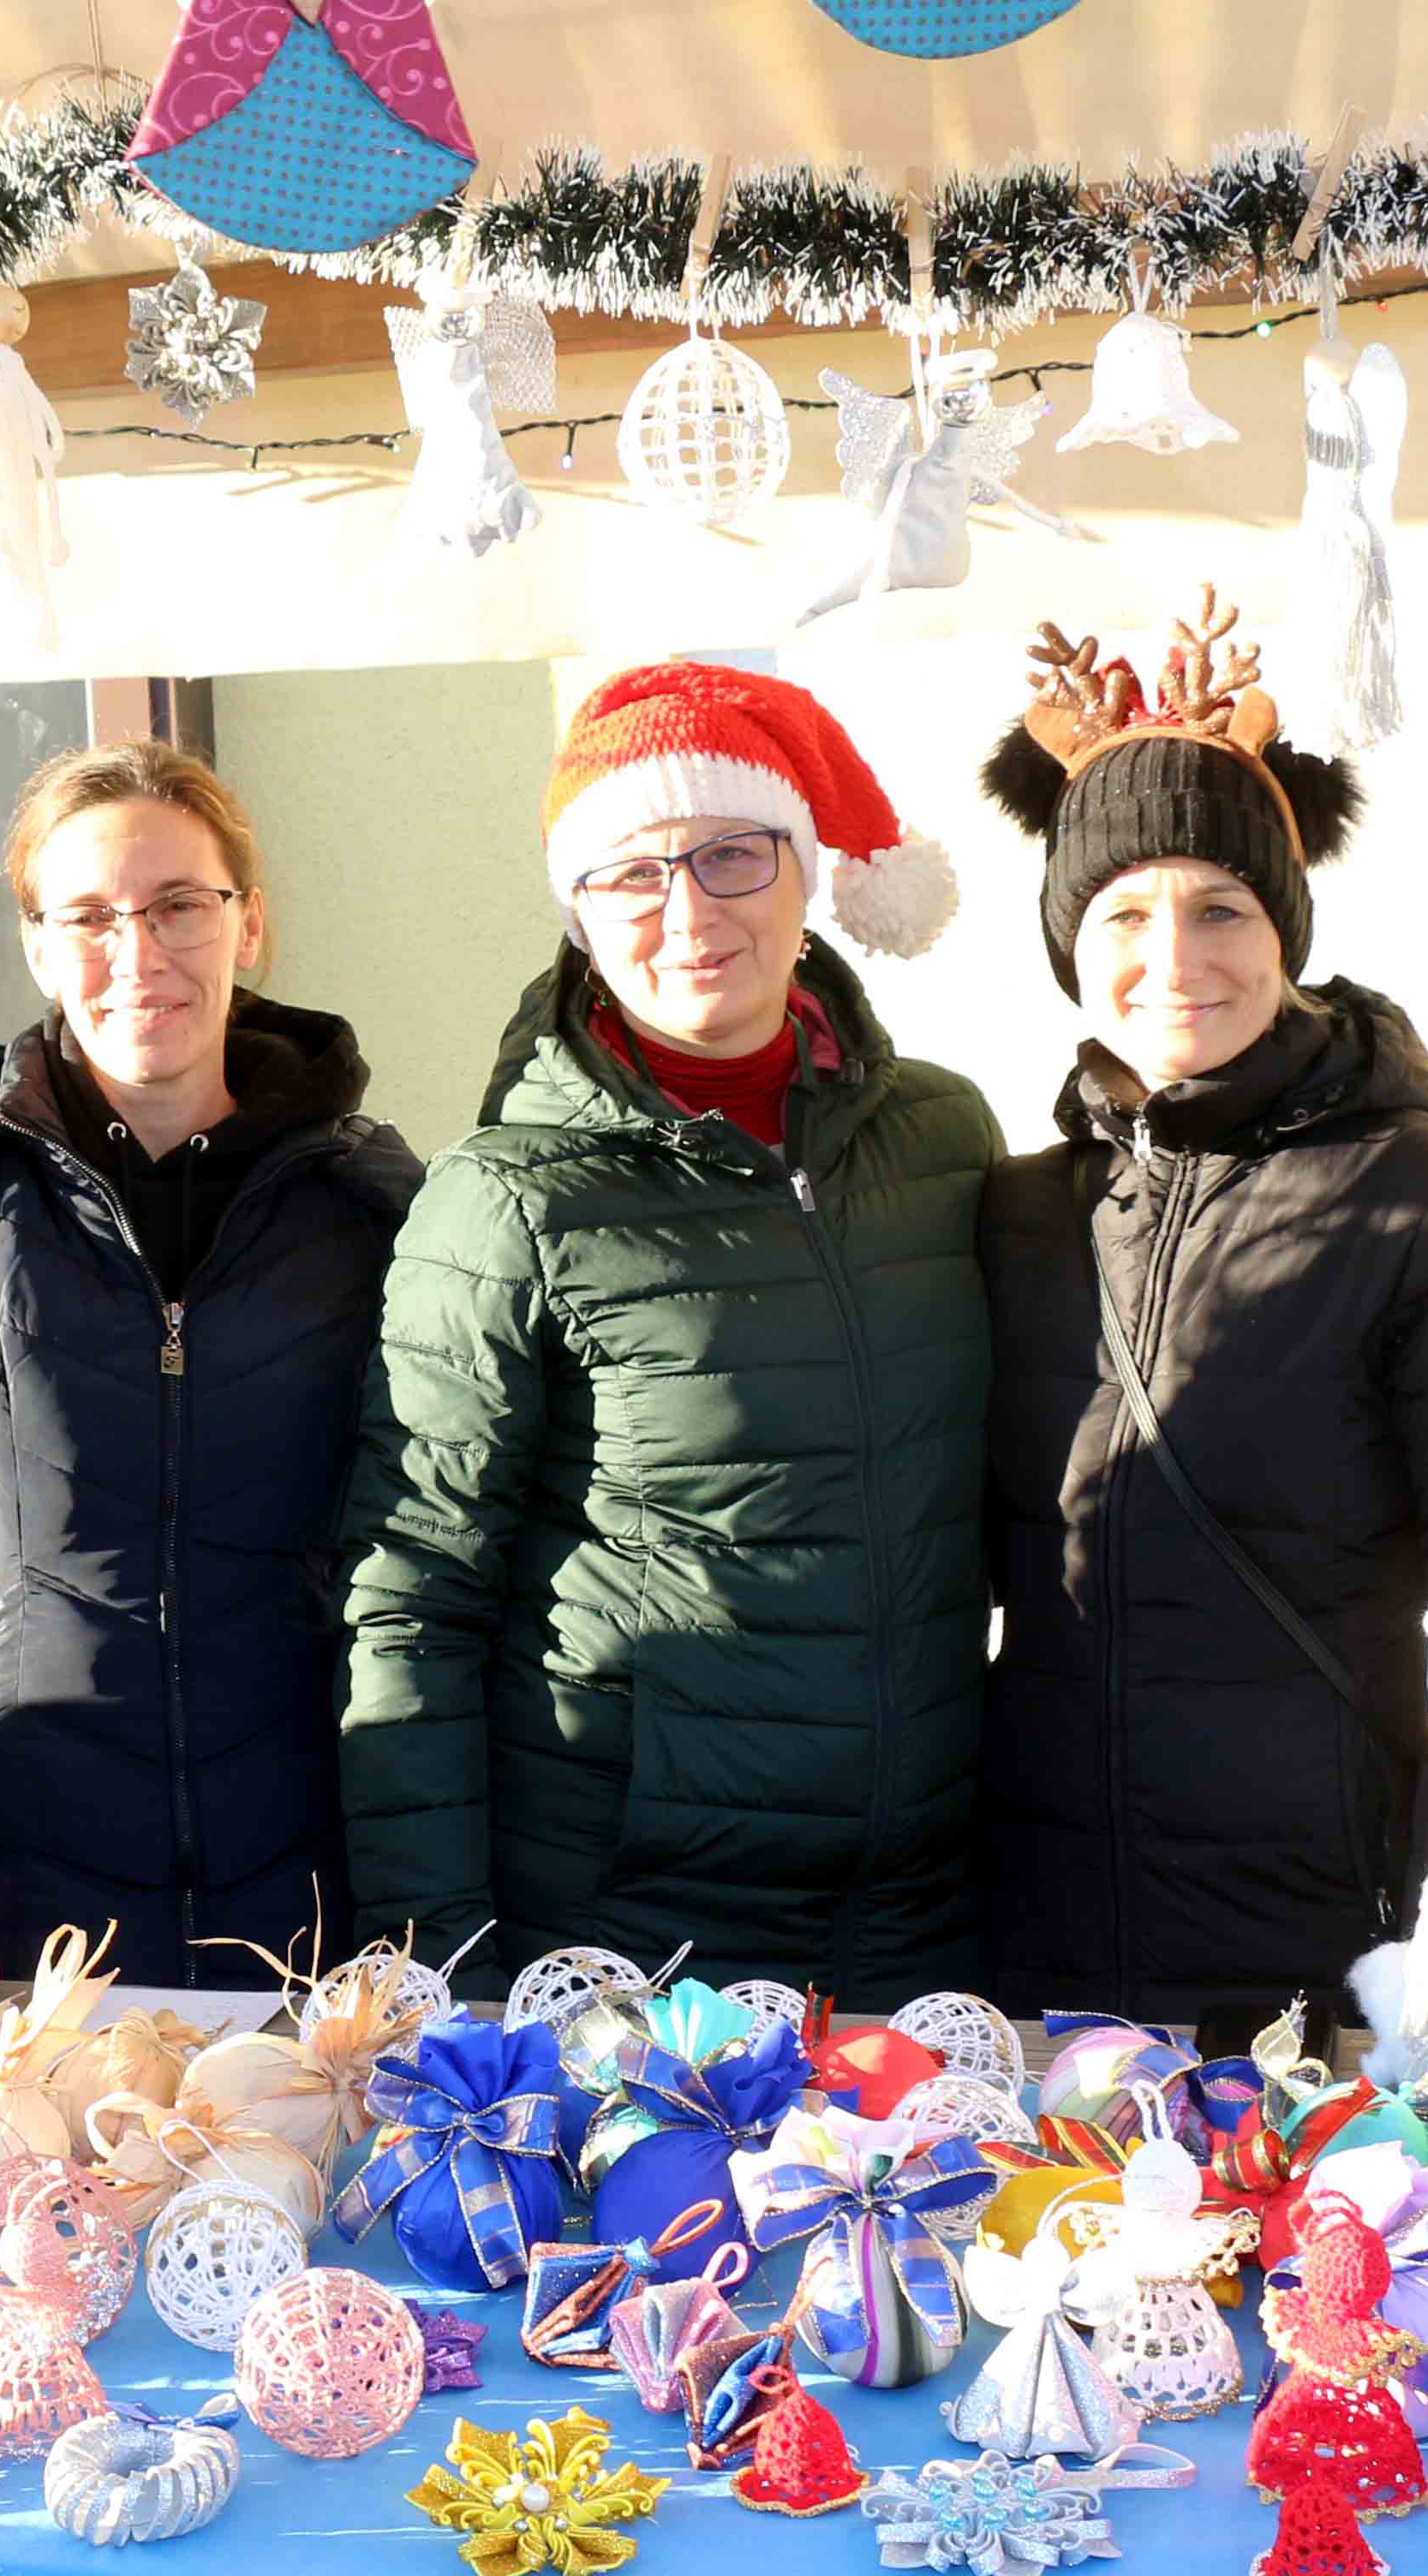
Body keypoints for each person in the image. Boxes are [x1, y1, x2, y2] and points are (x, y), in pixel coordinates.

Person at [970, 591, 1428, 2047]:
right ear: (1067, 945)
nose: (1175, 958)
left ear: (1286, 931)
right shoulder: (1016, 1212)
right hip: (1041, 1936)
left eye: (1220, 909)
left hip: (1330, 1942)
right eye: (1123, 913)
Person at [337, 662, 993, 2003]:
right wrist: (443, 1968)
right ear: (578, 917)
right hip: (633, 1926)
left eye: (732, 855)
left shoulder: (943, 1137)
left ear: (807, 877)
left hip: (917, 1914)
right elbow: (410, 1595)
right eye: (630, 874)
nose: (687, 912)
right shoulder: (507, 1198)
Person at [0, 741, 420, 1989]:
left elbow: (435, 1558)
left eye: (178, 905)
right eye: (91, 917)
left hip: (313, 1898)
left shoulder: (373, 1207)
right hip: (11, 1906)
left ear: (249, 923)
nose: (139, 952)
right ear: (37, 945)